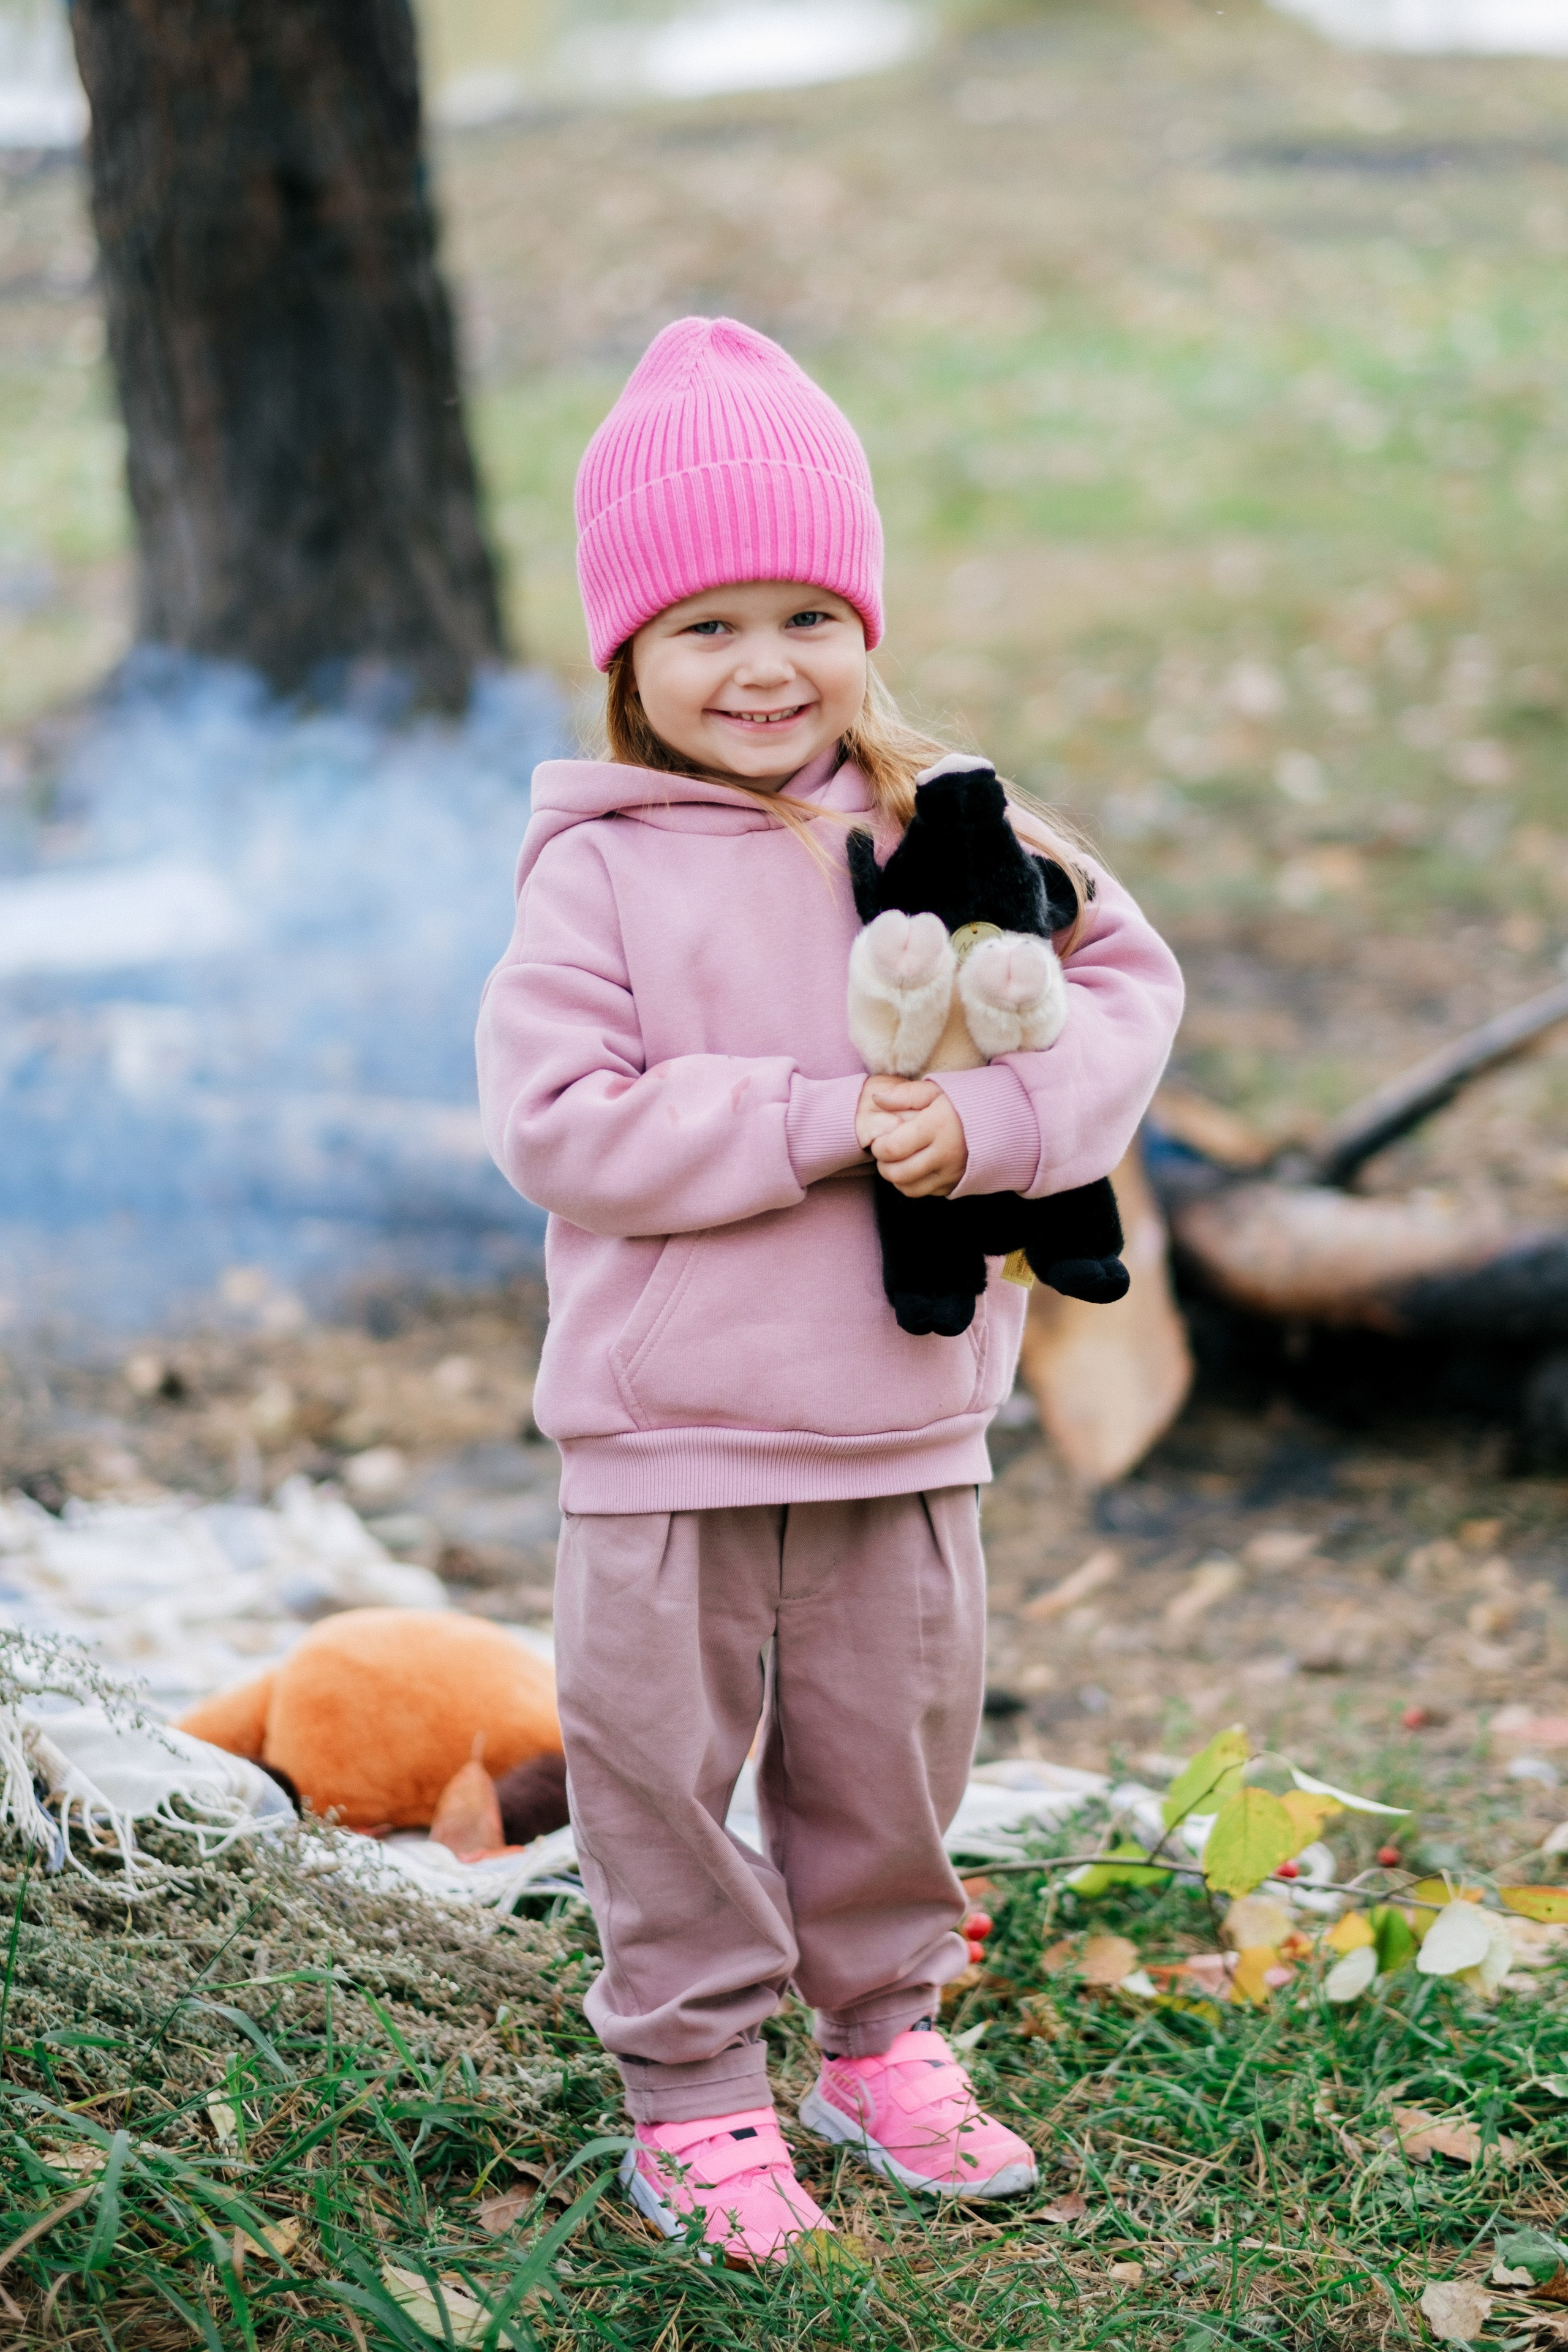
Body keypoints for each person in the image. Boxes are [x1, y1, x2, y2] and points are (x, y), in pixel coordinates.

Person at [477, 316, 1183, 2264]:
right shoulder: (600, 871)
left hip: (904, 1403)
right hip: (669, 1433)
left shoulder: (958, 824)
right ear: (628, 659)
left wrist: (1010, 1120)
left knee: (892, 1757)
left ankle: (884, 2037)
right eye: (706, 627)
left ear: (865, 622)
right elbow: (561, 1121)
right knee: (657, 1771)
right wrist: (823, 1116)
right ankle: (697, 2087)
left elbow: (1131, 989)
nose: (766, 664)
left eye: (806, 612)